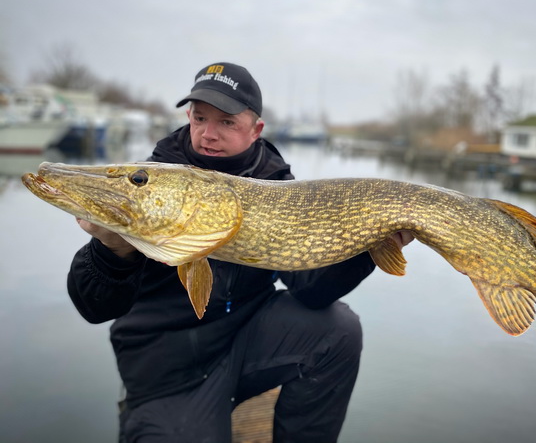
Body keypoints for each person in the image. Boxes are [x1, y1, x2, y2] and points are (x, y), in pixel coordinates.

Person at [68, 62, 412, 443]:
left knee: (338, 329)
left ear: (255, 130)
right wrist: (111, 251)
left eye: (227, 122)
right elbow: (93, 307)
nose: (208, 134)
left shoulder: (276, 186)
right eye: (200, 118)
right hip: (167, 373)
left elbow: (311, 289)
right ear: (188, 117)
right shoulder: (147, 184)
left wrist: (369, 249)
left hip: (245, 344)